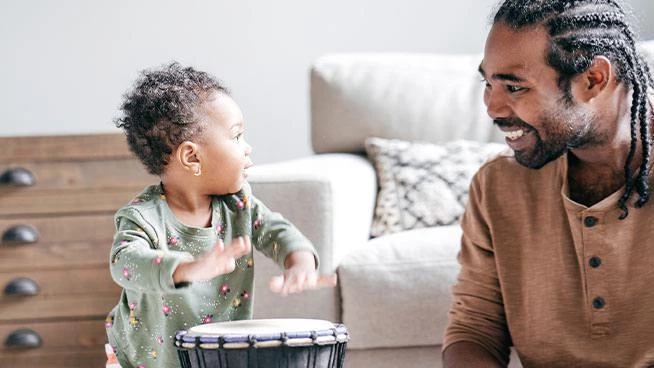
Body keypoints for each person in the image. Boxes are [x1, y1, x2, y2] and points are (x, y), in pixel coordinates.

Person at [443, 0, 654, 367]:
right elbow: (473, 330)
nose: (492, 107)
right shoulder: (497, 188)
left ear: (593, 80)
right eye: (488, 83)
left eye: (514, 87)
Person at [105, 62, 336, 368]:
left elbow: (277, 230)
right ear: (192, 156)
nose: (248, 148)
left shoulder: (238, 205)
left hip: (219, 355)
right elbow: (124, 263)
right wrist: (187, 268)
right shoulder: (143, 217)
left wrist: (300, 261)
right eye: (237, 136)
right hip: (146, 358)